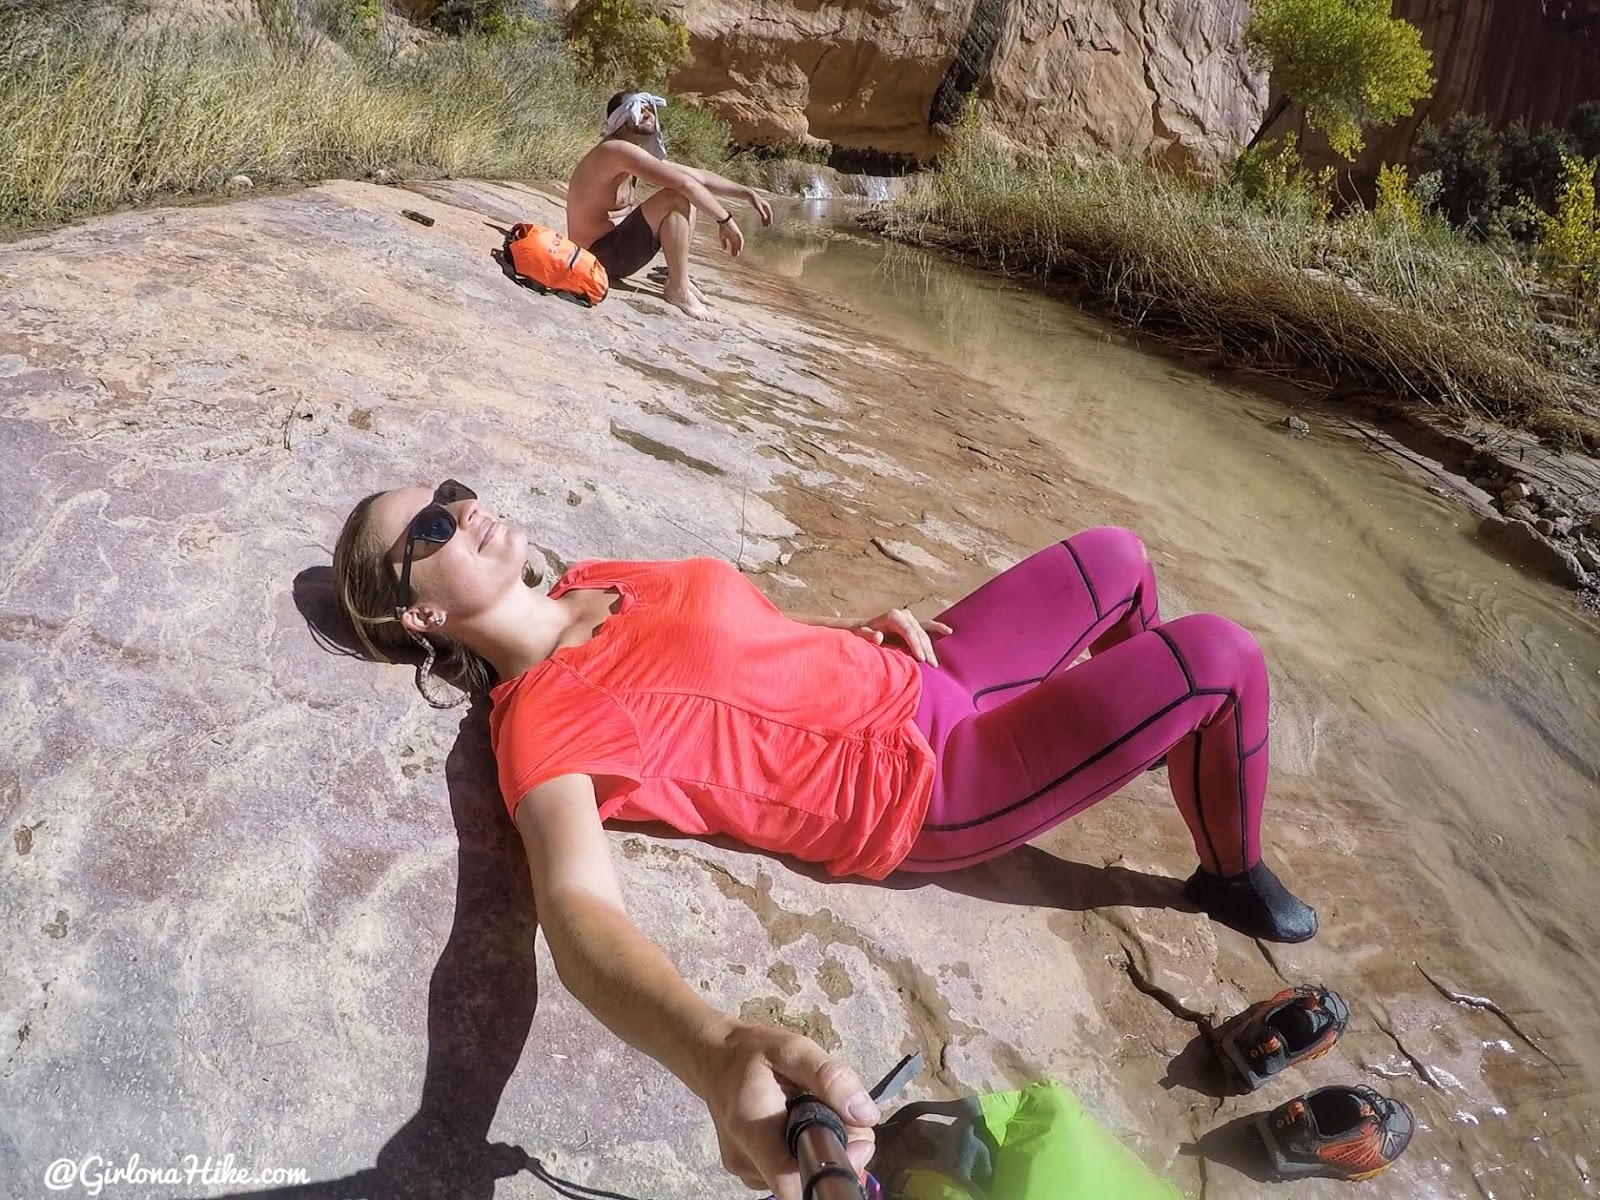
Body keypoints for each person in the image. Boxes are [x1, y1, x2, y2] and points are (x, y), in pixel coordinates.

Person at [332, 480, 1319, 1200]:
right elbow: (576, 911)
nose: (465, 511)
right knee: (1218, 659)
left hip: (926, 672)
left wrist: (843, 626)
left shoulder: (600, 577)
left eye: (454, 492)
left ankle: (1135, 732)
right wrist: (716, 1051)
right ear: (419, 611)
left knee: (1117, 554)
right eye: (431, 526)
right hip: (929, 779)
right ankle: (1228, 869)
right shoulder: (540, 721)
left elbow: (742, 639)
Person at [565, 91, 773, 320]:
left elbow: (697, 177)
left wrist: (746, 192)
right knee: (677, 196)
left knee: (686, 193)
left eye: (650, 107)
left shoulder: (632, 153)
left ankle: (677, 277)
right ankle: (678, 288)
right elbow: (685, 184)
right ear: (620, 119)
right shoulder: (614, 150)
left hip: (617, 253)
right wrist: (725, 220)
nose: (648, 113)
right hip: (597, 259)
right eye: (639, 109)